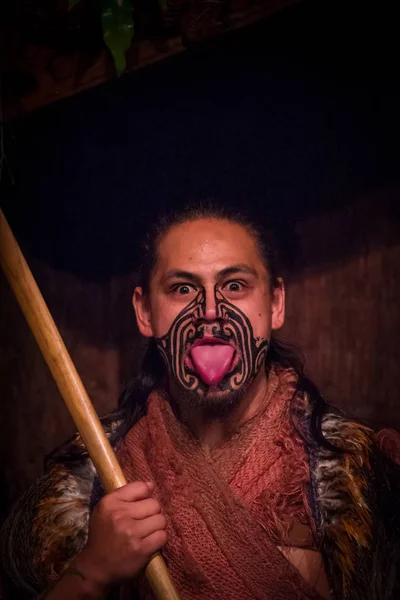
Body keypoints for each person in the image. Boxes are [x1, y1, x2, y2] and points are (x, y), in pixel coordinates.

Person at [0, 204, 399, 600]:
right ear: (144, 312)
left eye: (235, 285)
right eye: (182, 288)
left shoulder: (353, 474)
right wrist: (91, 572)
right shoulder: (97, 472)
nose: (210, 312)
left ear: (275, 303)